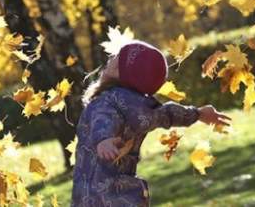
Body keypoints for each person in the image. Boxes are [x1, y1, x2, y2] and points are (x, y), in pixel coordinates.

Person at [71, 41, 231, 207]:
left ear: (119, 71)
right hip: (127, 194)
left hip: (94, 195)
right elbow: (169, 114)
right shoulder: (146, 109)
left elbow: (102, 117)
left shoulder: (105, 101)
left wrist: (103, 139)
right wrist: (198, 114)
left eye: (115, 58)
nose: (109, 60)